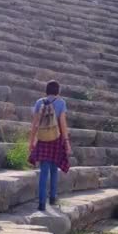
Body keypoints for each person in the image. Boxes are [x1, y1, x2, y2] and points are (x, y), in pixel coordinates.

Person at [28, 80, 72, 211]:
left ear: (46, 91)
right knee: (54, 169)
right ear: (58, 91)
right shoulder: (61, 103)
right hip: (56, 140)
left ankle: (42, 203)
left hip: (43, 140)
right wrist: (67, 142)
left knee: (44, 171)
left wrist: (31, 142)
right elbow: (63, 124)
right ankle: (53, 197)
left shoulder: (39, 102)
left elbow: (35, 124)